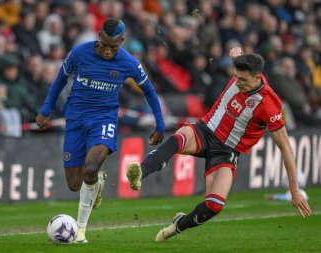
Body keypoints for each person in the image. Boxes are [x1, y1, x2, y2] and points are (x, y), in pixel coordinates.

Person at [126, 47, 312, 242]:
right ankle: (141, 171)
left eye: (243, 80)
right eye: (236, 78)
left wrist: (295, 190)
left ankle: (178, 225)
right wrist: (235, 52)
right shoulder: (242, 67)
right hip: (207, 130)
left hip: (227, 151)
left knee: (214, 205)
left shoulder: (268, 103)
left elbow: (286, 148)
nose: (237, 83)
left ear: (257, 78)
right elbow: (237, 56)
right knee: (180, 137)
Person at [36, 18, 165, 243]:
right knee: (75, 184)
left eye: (113, 47)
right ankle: (98, 183)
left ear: (122, 42)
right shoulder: (79, 53)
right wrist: (46, 109)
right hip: (75, 119)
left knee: (91, 167)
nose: (107, 51)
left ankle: (81, 232)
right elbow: (60, 80)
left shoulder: (129, 62)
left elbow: (149, 90)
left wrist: (160, 124)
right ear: (99, 37)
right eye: (104, 44)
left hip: (104, 119)